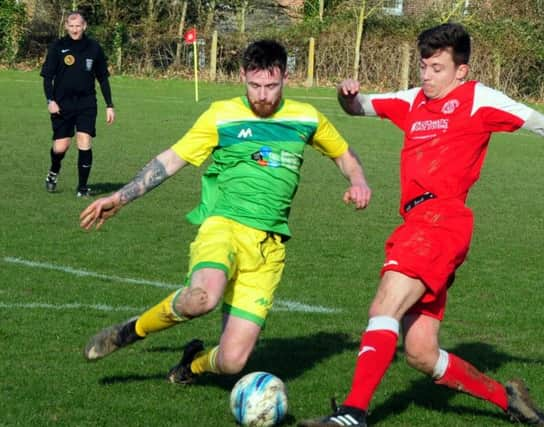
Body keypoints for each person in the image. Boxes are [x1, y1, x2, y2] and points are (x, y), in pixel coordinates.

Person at [300, 23, 544, 427]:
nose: (427, 76)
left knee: (384, 304)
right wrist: (346, 96)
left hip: (442, 220)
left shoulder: (479, 98)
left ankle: (353, 415)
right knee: (421, 352)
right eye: (424, 67)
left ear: (461, 70)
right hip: (417, 222)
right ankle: (508, 398)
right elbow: (360, 107)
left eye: (437, 68)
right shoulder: (413, 101)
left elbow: (543, 124)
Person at [79, 40, 371, 384]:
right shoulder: (222, 115)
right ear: (243, 77)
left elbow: (343, 153)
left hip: (269, 249)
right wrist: (122, 197)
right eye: (255, 85)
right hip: (224, 227)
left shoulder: (306, 117)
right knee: (201, 298)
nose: (262, 95)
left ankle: (191, 366)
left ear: (286, 78)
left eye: (271, 86)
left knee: (232, 362)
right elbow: (172, 159)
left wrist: (358, 180)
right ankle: (131, 331)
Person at [41, 10, 115, 197]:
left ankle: (82, 188)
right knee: (61, 147)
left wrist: (109, 105)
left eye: (78, 26)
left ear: (84, 26)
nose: (75, 30)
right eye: (71, 26)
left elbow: (103, 78)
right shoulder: (58, 46)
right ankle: (53, 172)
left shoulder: (94, 48)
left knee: (84, 141)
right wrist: (50, 101)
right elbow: (47, 77)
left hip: (86, 103)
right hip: (62, 104)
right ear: (66, 26)